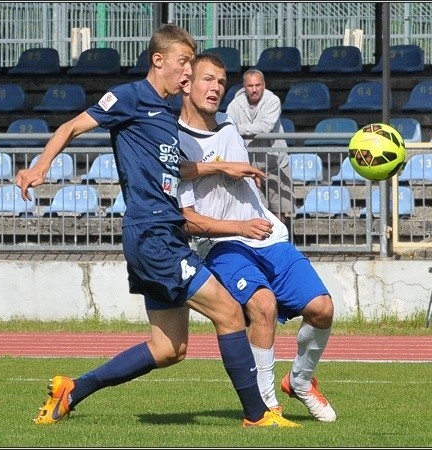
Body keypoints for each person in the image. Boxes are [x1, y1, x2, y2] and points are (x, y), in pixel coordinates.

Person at [15, 24, 299, 428]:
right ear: (159, 60)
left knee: (168, 349)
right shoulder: (129, 98)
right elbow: (70, 127)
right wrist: (40, 167)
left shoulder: (167, 109)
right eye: (184, 63)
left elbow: (172, 167)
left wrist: (219, 164)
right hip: (153, 234)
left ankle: (73, 389)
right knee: (230, 312)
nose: (188, 72)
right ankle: (258, 415)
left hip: (162, 234)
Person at [176, 53, 336, 422]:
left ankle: (299, 380)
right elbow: (186, 220)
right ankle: (266, 406)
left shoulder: (229, 126)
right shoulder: (174, 139)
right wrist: (237, 223)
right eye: (207, 79)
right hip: (221, 243)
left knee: (322, 309)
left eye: (220, 81)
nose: (215, 87)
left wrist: (249, 217)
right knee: (262, 305)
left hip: (266, 234)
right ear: (186, 84)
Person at [225, 68, 294, 224]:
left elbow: (265, 127)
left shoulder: (273, 101)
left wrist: (239, 128)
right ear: (244, 86)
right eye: (250, 86)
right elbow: (228, 126)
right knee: (257, 212)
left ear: (264, 85)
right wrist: (239, 128)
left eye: (258, 85)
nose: (254, 89)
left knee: (280, 212)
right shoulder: (235, 104)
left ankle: (281, 244)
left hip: (276, 163)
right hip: (250, 167)